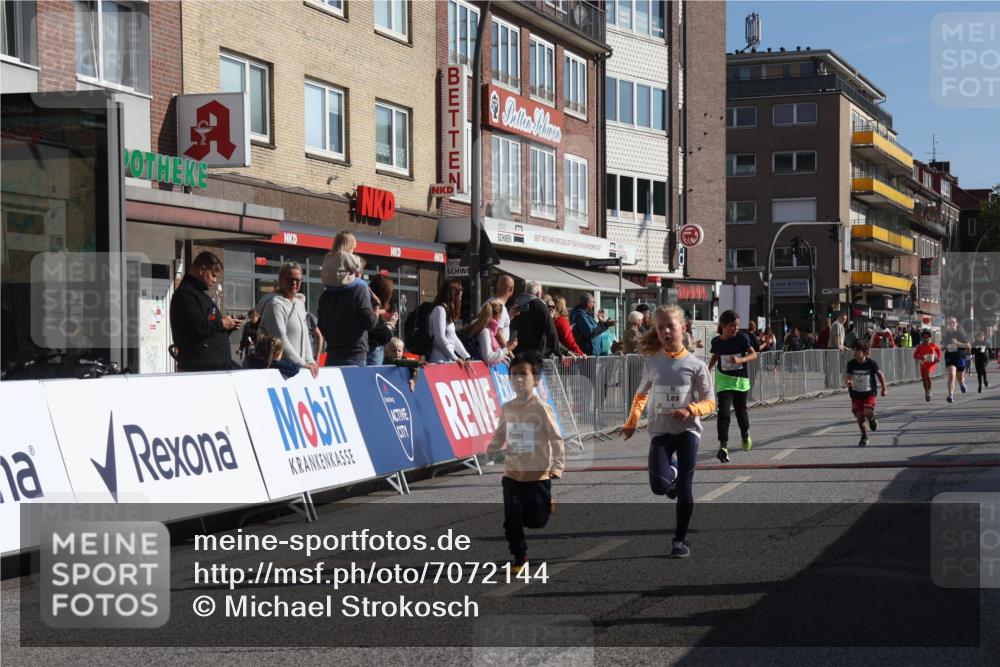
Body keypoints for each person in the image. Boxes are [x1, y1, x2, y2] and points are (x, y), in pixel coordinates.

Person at [620, 304, 716, 559]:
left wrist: (691, 409)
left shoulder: (696, 365)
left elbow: (710, 401)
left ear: (682, 329)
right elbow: (641, 395)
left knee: (685, 488)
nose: (664, 331)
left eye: (670, 326)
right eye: (660, 327)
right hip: (660, 432)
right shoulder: (653, 362)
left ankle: (680, 540)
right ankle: (670, 470)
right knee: (659, 487)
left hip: (687, 432)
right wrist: (631, 423)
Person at [485, 351, 564, 573]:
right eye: (514, 375)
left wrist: (557, 466)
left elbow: (556, 438)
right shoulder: (508, 407)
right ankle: (520, 556)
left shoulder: (541, 408)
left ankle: (547, 503)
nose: (518, 379)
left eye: (524, 375)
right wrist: (490, 451)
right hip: (512, 474)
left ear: (536, 379)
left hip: (538, 474)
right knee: (512, 520)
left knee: (537, 520)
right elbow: (501, 432)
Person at [169, 251, 243, 372]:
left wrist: (228, 326)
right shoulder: (185, 295)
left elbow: (209, 329)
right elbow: (197, 328)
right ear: (202, 270)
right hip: (200, 370)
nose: (215, 281)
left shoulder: (201, 296)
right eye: (213, 275)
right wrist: (222, 323)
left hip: (214, 367)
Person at [708, 310, 759, 462]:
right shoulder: (716, 341)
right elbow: (715, 356)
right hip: (724, 381)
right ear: (723, 326)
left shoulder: (742, 338)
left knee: (740, 412)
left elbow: (753, 354)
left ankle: (745, 433)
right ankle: (723, 445)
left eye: (737, 325)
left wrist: (740, 360)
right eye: (732, 326)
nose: (736, 328)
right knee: (723, 413)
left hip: (740, 381)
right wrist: (707, 369)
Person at [257, 261, 320, 378]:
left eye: (298, 280)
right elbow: (281, 339)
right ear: (281, 279)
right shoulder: (275, 305)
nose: (294, 283)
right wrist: (302, 363)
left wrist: (310, 361)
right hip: (281, 373)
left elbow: (305, 335)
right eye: (290, 279)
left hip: (297, 371)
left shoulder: (300, 304)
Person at [317, 257, 378, 368]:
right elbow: (370, 323)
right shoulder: (359, 290)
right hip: (354, 355)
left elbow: (321, 326)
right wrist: (377, 306)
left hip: (332, 353)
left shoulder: (326, 295)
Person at [845, 340, 888, 447]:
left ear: (864, 352)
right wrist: (848, 382)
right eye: (853, 351)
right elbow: (848, 377)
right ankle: (864, 435)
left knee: (867, 412)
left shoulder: (871, 363)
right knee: (859, 416)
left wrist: (884, 388)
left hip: (869, 393)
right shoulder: (851, 364)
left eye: (857, 351)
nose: (854, 353)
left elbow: (880, 374)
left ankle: (872, 419)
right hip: (856, 394)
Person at [428, 278, 472, 367]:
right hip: (439, 361)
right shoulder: (439, 310)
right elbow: (439, 338)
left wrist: (466, 356)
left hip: (448, 360)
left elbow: (453, 338)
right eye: (460, 290)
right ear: (453, 292)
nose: (462, 293)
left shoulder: (446, 311)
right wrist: (455, 358)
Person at [509, 281, 559, 358]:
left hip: (517, 350)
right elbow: (550, 329)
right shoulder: (540, 305)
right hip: (536, 352)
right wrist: (557, 351)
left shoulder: (517, 303)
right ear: (538, 293)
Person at [465, 301, 518, 366]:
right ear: (498, 315)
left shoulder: (483, 327)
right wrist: (507, 348)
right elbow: (489, 357)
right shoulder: (485, 331)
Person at [366, 274, 398, 366]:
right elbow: (381, 337)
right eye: (390, 292)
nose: (391, 295)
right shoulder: (372, 309)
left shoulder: (368, 307)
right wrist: (390, 325)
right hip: (372, 354)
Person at [942, 317, 972, 402]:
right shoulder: (946, 335)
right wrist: (943, 347)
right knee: (951, 375)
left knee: (960, 378)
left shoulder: (960, 334)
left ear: (956, 323)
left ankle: (962, 383)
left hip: (960, 357)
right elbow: (943, 345)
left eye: (953, 322)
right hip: (950, 357)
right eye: (950, 322)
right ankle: (950, 395)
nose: (951, 323)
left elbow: (968, 345)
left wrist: (957, 343)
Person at [913, 329, 942, 402]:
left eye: (927, 337)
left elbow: (938, 350)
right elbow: (915, 355)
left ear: (930, 337)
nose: (926, 338)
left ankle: (929, 391)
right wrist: (921, 357)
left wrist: (938, 357)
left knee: (928, 376)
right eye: (924, 337)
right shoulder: (920, 346)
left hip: (931, 364)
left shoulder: (933, 345)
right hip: (923, 364)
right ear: (922, 338)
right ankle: (926, 392)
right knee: (924, 379)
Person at [488, 275, 515, 346]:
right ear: (511, 289)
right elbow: (498, 333)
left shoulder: (490, 302)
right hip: (498, 352)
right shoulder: (500, 307)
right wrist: (509, 352)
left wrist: (508, 317)